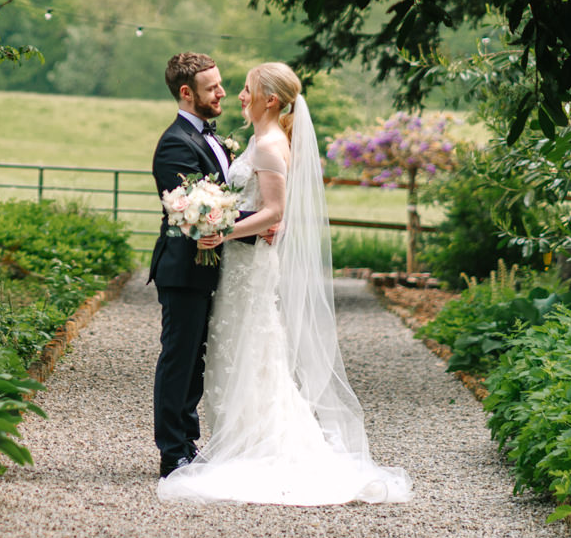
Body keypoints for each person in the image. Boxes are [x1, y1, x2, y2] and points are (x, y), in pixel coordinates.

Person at [158, 62, 411, 506]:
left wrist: (228, 229)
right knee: (233, 351)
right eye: (221, 87)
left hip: (246, 265)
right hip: (232, 265)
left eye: (245, 88)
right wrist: (238, 222)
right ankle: (225, 442)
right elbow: (248, 202)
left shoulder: (271, 145)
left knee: (254, 351)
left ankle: (255, 445)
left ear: (269, 99)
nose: (235, 94)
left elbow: (274, 210)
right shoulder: (254, 140)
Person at [146, 52, 231, 479]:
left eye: (220, 84)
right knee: (179, 359)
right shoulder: (177, 141)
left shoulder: (208, 136)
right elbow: (192, 209)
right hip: (184, 268)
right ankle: (172, 452)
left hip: (207, 268)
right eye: (212, 87)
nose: (221, 92)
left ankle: (188, 441)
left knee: (196, 358)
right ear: (186, 92)